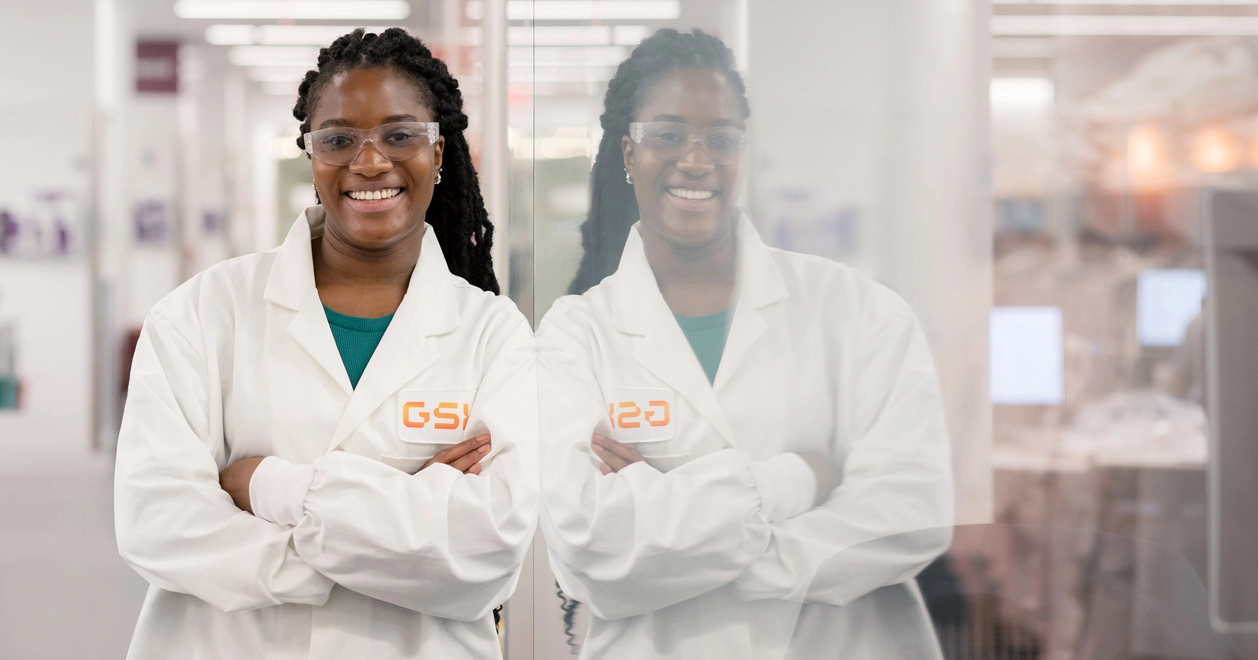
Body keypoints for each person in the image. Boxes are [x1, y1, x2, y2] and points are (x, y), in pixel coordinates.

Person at [114, 28, 537, 660]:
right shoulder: (200, 314)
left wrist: (271, 488)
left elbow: (489, 552)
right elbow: (158, 523)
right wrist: (396, 547)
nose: (370, 163)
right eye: (338, 140)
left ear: (438, 151)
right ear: (311, 156)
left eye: (400, 135)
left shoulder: (493, 335)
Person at [536, 28, 954, 659]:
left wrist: (682, 546)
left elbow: (910, 510)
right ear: (628, 153)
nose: (696, 160)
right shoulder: (577, 335)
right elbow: (587, 549)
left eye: (722, 138)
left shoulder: (861, 312)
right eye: (668, 134)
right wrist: (796, 481)